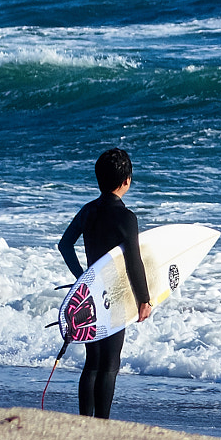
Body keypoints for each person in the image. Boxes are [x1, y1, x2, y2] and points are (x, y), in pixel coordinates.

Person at [57, 148, 152, 420]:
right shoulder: (126, 217)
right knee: (110, 363)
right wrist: (144, 300)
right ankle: (102, 423)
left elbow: (64, 245)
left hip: (91, 293)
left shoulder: (88, 211)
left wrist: (81, 279)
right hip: (117, 295)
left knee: (93, 360)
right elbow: (134, 262)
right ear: (127, 181)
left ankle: (84, 420)